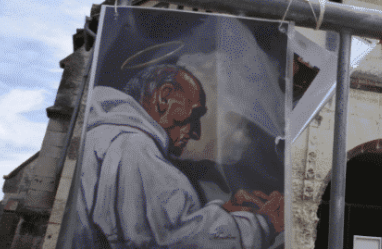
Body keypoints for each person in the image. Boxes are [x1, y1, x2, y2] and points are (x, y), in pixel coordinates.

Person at [74, 64, 284, 249]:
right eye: (194, 115)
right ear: (164, 96)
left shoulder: (102, 137)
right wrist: (262, 224)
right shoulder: (133, 145)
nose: (196, 133)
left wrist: (225, 212)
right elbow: (174, 239)